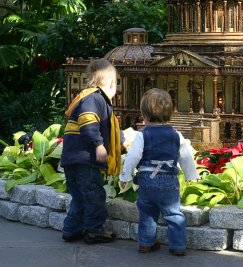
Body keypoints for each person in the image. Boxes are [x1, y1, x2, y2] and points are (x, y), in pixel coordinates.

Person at [120, 88, 198, 256]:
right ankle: (178, 245)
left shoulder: (143, 135)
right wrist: (191, 175)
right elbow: (185, 156)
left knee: (147, 213)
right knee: (174, 214)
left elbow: (133, 156)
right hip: (169, 181)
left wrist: (125, 175)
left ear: (144, 114)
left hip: (147, 180)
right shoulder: (176, 134)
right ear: (171, 113)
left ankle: (146, 243)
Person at [61, 58, 123, 244]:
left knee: (79, 197)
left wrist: (121, 142)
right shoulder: (95, 98)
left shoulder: (85, 97)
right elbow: (88, 121)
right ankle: (94, 230)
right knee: (94, 195)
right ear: (112, 83)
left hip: (72, 158)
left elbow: (106, 127)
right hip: (85, 159)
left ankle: (71, 229)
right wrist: (99, 144)